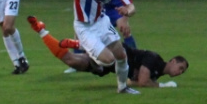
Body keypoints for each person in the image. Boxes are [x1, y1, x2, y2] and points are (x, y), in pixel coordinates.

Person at [27, 15, 188, 87]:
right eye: (180, 67)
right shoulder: (155, 59)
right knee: (107, 57)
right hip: (117, 53)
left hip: (110, 68)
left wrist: (144, 83)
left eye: (182, 72)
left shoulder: (157, 73)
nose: (179, 72)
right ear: (173, 60)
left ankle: (41, 31)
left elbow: (133, 81)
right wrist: (162, 86)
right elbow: (143, 81)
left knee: (71, 61)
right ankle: (81, 44)